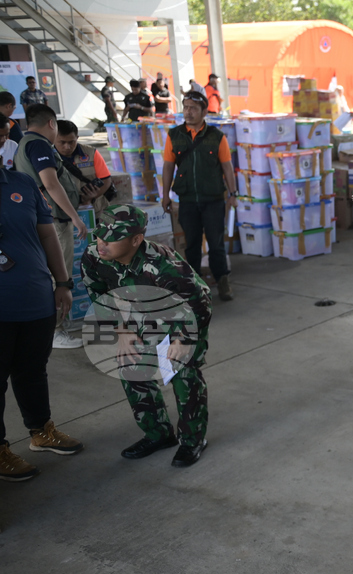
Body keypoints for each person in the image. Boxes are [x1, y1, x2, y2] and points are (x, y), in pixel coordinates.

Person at [81, 205, 212, 468]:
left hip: (179, 321)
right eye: (98, 235)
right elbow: (98, 294)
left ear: (136, 240)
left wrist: (183, 341)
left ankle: (192, 440)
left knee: (182, 374)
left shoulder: (165, 265)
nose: (101, 243)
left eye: (110, 238)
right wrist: (121, 331)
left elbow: (200, 303)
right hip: (139, 318)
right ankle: (159, 434)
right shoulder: (94, 256)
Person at [0, 163, 84, 483]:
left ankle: (41, 431)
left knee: (32, 370)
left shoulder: (21, 183)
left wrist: (63, 283)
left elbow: (48, 234)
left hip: (35, 298)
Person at [13, 104, 87, 350]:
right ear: (52, 124)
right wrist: (75, 217)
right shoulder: (39, 145)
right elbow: (51, 183)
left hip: (41, 219)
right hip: (53, 221)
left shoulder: (24, 144)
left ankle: (52, 329)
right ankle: (56, 331)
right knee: (59, 276)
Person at [160, 91, 238, 301]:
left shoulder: (216, 136)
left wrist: (233, 193)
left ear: (204, 111)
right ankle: (195, 287)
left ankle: (222, 281)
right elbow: (168, 167)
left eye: (193, 108)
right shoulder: (174, 135)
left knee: (216, 243)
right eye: (185, 107)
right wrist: (165, 194)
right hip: (187, 200)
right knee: (192, 244)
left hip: (213, 200)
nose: (188, 112)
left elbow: (227, 168)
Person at [55, 120, 113, 215]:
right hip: (65, 213)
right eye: (62, 142)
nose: (67, 147)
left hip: (96, 210)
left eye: (71, 142)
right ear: (54, 139)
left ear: (77, 138)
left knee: (103, 228)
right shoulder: (48, 157)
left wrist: (93, 196)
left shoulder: (91, 153)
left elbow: (106, 180)